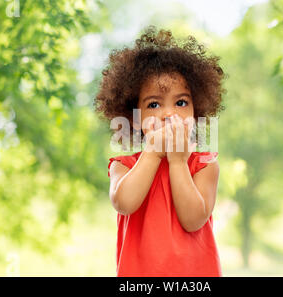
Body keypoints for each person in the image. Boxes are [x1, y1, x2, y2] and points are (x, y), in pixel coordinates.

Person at [94, 25, 226, 277]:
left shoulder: (205, 165)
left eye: (181, 102)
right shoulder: (123, 166)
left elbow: (193, 219)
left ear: (195, 113)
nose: (168, 113)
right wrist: (153, 153)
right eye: (154, 104)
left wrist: (177, 163)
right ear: (134, 118)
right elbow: (124, 203)